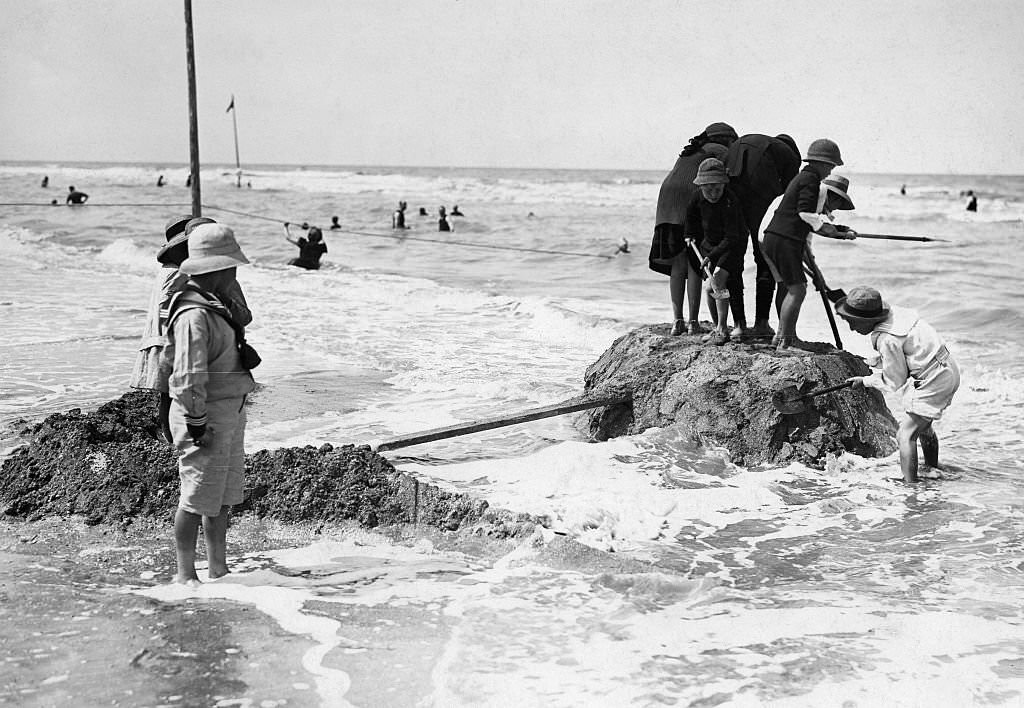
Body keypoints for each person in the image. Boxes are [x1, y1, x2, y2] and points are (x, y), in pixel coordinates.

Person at [161, 223, 255, 584]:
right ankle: (185, 575)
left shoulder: (215, 304)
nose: (234, 272)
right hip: (204, 415)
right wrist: (197, 422)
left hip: (228, 408)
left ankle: (218, 567)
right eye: (230, 267)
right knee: (195, 496)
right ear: (214, 268)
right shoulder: (192, 313)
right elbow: (186, 376)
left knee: (221, 497)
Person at [130, 215, 252, 443]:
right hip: (182, 346)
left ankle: (177, 444)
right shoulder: (181, 275)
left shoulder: (172, 272)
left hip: (169, 343)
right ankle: (183, 443)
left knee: (171, 400)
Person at [836, 286, 959, 483]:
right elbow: (912, 351)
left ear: (869, 320)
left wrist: (865, 381)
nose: (851, 328)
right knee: (923, 425)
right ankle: (931, 468)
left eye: (854, 323)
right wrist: (878, 361)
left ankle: (910, 485)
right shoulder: (898, 316)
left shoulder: (888, 339)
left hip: (934, 379)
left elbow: (895, 380)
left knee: (905, 434)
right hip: (946, 368)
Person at [761, 139, 856, 354]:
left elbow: (812, 221)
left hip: (779, 238)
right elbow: (805, 214)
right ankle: (787, 342)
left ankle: (783, 338)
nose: (830, 170)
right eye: (830, 166)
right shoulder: (811, 180)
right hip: (784, 239)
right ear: (822, 163)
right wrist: (832, 230)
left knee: (792, 288)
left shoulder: (805, 177)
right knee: (797, 290)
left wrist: (840, 230)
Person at [649, 121, 738, 336]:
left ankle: (677, 320)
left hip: (666, 203)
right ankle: (693, 322)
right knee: (694, 266)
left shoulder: (691, 151)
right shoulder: (717, 150)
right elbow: (730, 177)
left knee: (678, 265)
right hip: (687, 202)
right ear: (726, 139)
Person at [725, 133, 801, 339]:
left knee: (733, 256)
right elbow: (787, 198)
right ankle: (762, 323)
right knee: (764, 257)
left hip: (730, 185)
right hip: (760, 194)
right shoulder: (791, 157)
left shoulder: (755, 142)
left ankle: (738, 326)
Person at [683, 158, 748, 345]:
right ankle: (718, 326)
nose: (712, 193)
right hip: (710, 244)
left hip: (733, 244)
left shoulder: (730, 201)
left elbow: (732, 237)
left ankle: (722, 329)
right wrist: (689, 235)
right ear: (701, 185)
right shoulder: (697, 197)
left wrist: (710, 257)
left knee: (715, 284)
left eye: (717, 189)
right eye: (707, 189)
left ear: (723, 184)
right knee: (714, 285)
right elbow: (690, 218)